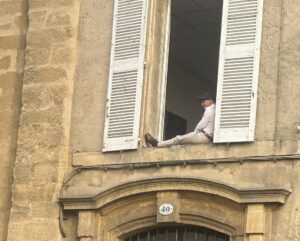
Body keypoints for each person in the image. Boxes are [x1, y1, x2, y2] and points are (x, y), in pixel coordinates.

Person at [145, 92, 215, 147]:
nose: (202, 104)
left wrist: (194, 133)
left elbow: (201, 125)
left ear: (210, 100)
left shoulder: (209, 110)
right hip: (207, 137)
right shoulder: (215, 109)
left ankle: (158, 144)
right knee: (183, 140)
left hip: (204, 137)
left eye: (203, 101)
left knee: (179, 138)